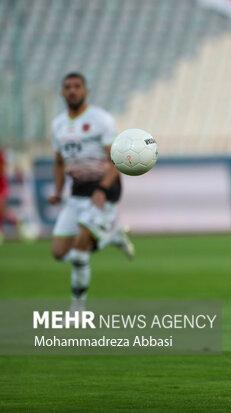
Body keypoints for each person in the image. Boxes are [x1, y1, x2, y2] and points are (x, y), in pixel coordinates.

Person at [49, 72, 134, 311]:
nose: (72, 90)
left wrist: (102, 188)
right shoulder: (58, 124)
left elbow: (116, 159)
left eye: (77, 86)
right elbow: (59, 162)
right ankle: (112, 235)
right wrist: (58, 191)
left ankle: (78, 309)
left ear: (86, 91)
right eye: (67, 87)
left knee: (79, 253)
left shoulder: (101, 120)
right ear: (62, 92)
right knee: (59, 252)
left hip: (103, 190)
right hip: (77, 193)